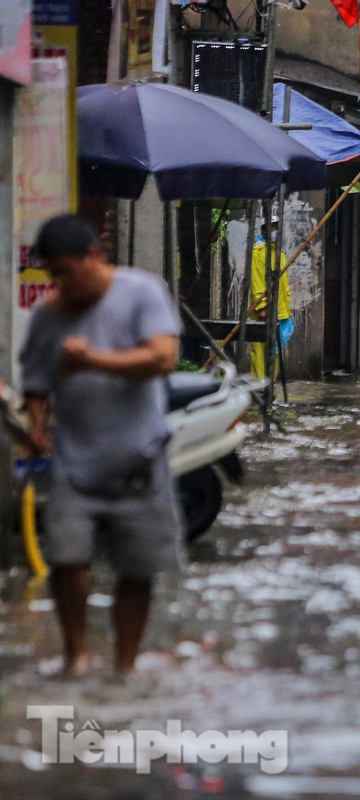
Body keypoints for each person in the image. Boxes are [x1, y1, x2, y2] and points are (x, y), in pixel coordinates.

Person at [19, 215, 183, 676]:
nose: (61, 284)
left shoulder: (143, 291)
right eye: (54, 275)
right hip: (72, 460)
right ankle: (76, 656)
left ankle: (125, 667)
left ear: (95, 256)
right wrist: (36, 425)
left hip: (139, 458)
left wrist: (93, 360)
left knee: (137, 569)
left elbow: (162, 358)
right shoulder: (48, 317)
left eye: (68, 272)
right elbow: (35, 383)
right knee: (66, 561)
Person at [250, 216, 294, 379]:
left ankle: (270, 384)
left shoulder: (278, 252)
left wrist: (287, 305)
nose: (274, 231)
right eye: (272, 227)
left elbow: (284, 282)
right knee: (260, 349)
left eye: (276, 227)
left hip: (280, 308)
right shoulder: (259, 251)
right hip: (266, 309)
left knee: (274, 350)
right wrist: (262, 307)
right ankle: (258, 385)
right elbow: (257, 281)